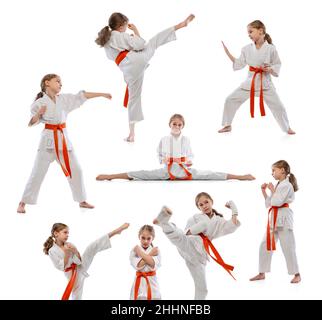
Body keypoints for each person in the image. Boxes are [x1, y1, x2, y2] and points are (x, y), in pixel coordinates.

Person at [17, 74, 112, 213]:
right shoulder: (39, 102)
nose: (61, 84)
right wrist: (38, 114)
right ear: (47, 83)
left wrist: (102, 94)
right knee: (37, 173)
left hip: (63, 140)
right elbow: (31, 122)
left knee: (77, 170)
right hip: (47, 143)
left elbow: (82, 96)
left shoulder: (64, 99)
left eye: (61, 82)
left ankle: (82, 200)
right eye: (58, 81)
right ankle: (23, 202)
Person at [96, 12, 195, 142]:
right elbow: (141, 45)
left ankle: (131, 134)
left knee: (134, 99)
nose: (126, 29)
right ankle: (180, 25)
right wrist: (136, 31)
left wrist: (131, 43)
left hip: (128, 69)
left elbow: (116, 54)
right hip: (136, 60)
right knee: (154, 42)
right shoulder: (120, 35)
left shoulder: (106, 40)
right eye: (125, 26)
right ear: (120, 26)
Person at [96, 114, 255, 181]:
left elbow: (191, 156)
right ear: (170, 125)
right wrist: (164, 159)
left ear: (183, 126)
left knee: (212, 174)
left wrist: (185, 161)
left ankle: (241, 177)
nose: (177, 126)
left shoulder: (186, 139)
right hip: (167, 171)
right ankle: (111, 175)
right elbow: (158, 154)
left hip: (186, 171)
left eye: (179, 124)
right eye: (174, 124)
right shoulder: (164, 139)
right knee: (142, 173)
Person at [153, 192, 240, 299]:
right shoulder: (195, 217)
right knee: (180, 237)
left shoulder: (219, 221)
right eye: (201, 205)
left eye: (206, 202)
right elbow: (185, 231)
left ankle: (163, 223)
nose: (204, 206)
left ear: (211, 202)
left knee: (203, 289)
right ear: (198, 207)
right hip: (190, 242)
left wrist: (234, 209)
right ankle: (165, 222)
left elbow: (231, 226)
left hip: (200, 255)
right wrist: (191, 232)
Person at [219, 20, 295, 134]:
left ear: (261, 31)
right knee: (230, 99)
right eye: (248, 33)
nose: (249, 35)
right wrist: (227, 53)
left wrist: (270, 69)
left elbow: (277, 64)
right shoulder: (246, 49)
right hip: (250, 83)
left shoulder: (271, 49)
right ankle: (227, 125)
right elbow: (239, 64)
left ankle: (286, 128)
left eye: (250, 32)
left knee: (279, 107)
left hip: (265, 84)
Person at [44, 222, 129, 299]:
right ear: (56, 233)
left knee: (91, 247)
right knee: (77, 295)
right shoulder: (52, 250)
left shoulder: (69, 245)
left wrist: (75, 251)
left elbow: (78, 261)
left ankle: (116, 231)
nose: (67, 235)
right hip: (71, 274)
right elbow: (61, 267)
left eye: (68, 233)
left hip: (80, 266)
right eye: (65, 232)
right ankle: (116, 231)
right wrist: (66, 253)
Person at [250, 160, 301, 283]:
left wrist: (273, 191)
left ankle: (297, 274)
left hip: (283, 218)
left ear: (282, 170)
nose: (272, 173)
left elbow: (277, 202)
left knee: (288, 247)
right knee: (264, 245)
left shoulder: (287, 185)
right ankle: (262, 273)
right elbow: (270, 203)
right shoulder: (278, 185)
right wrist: (264, 192)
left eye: (274, 170)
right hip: (274, 218)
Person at [130, 225, 161, 300]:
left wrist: (140, 253)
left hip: (152, 284)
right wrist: (150, 254)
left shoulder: (156, 250)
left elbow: (152, 263)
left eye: (148, 238)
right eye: (143, 238)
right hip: (139, 282)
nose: (145, 241)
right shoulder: (134, 251)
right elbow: (138, 265)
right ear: (139, 237)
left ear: (152, 238)